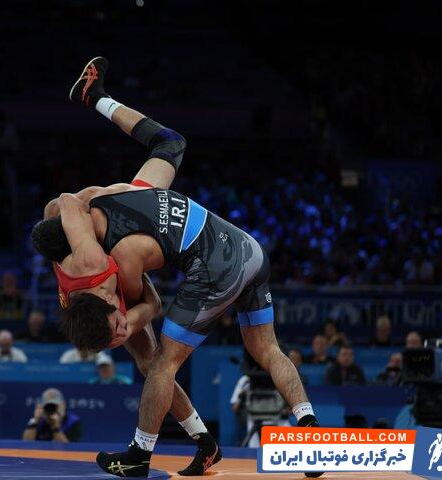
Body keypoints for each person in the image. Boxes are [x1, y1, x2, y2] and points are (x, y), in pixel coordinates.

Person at [32, 57, 318, 477]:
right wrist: (100, 101)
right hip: (250, 249)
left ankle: (139, 454)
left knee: (162, 363)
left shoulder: (116, 255)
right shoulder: (127, 193)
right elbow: (167, 144)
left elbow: (149, 303)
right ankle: (306, 428)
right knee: (266, 350)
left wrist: (129, 319)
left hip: (220, 265)